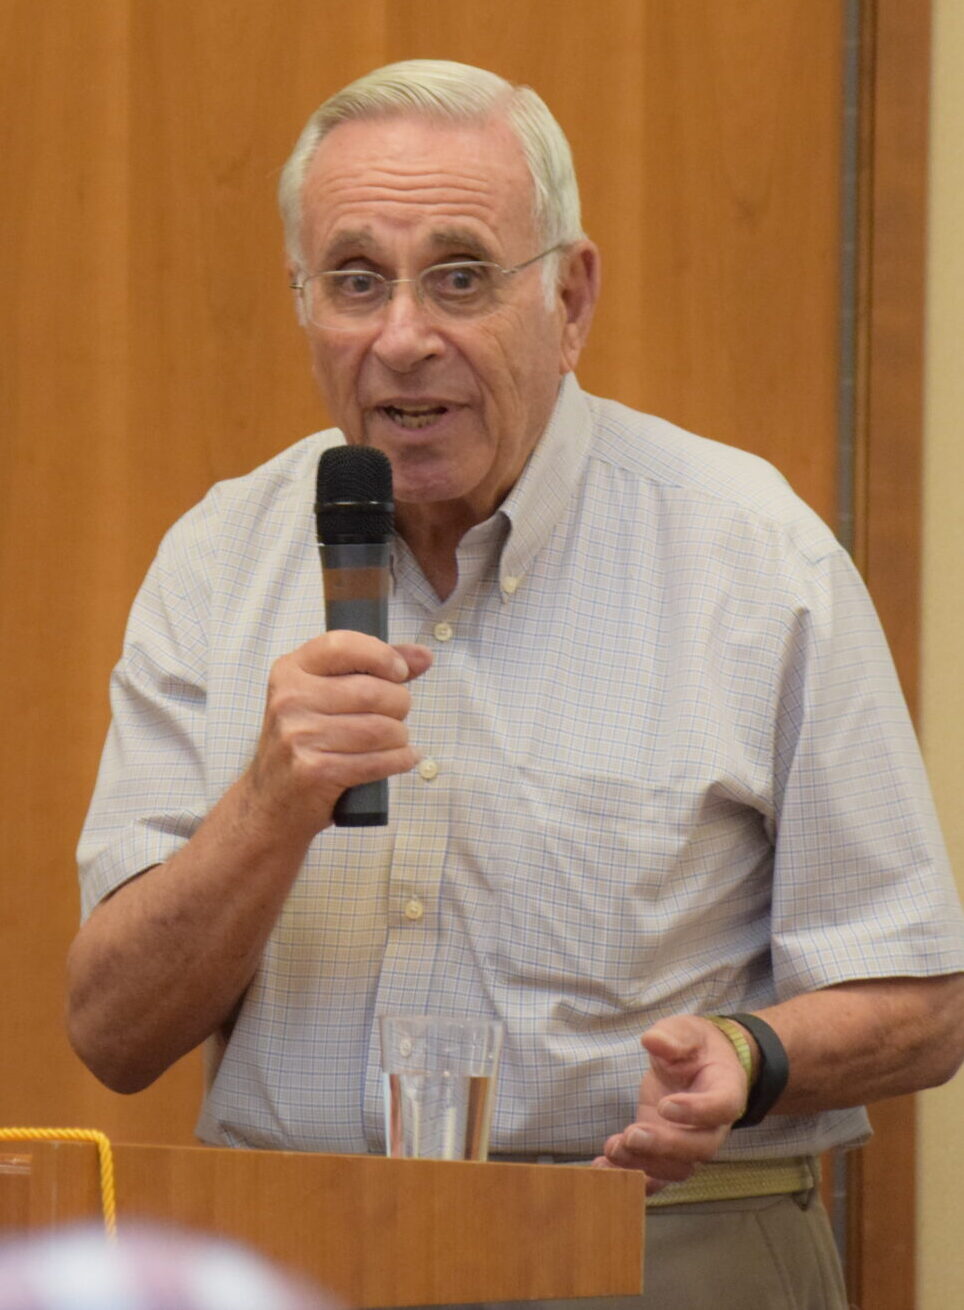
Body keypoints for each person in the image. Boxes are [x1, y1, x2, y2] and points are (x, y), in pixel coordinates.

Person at [67, 60, 964, 1308]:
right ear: (303, 302)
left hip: (658, 1254)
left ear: (570, 295)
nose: (401, 336)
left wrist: (749, 1054)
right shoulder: (217, 557)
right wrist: (270, 801)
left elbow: (921, 997)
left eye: (460, 275)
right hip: (288, 1248)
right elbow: (112, 1033)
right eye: (355, 280)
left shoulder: (752, 556)